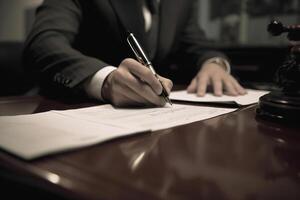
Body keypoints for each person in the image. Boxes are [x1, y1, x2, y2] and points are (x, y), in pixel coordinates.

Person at [24, 0, 246, 107]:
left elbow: (198, 44)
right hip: (66, 109)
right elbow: (44, 43)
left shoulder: (180, 3)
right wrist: (105, 79)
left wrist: (214, 63)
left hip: (147, 128)